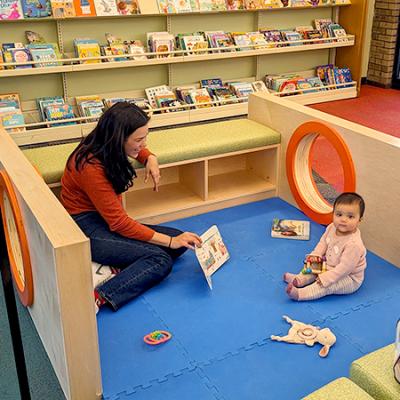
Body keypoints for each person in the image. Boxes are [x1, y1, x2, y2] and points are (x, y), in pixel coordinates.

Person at [60, 102, 202, 312]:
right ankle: (100, 295)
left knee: (182, 241)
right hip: (85, 226)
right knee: (160, 259)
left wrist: (150, 157)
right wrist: (170, 241)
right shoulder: (90, 166)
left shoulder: (107, 146)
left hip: (104, 220)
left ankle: (115, 264)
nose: (143, 143)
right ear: (119, 138)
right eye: (139, 139)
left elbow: (138, 151)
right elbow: (119, 223)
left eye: (145, 137)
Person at [283, 192, 367, 301]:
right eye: (339, 214)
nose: (343, 219)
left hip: (348, 277)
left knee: (326, 286)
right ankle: (299, 279)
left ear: (359, 220)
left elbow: (344, 269)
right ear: (333, 214)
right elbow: (323, 243)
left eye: (350, 216)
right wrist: (315, 256)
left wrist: (327, 278)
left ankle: (301, 294)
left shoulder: (354, 244)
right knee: (313, 267)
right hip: (328, 265)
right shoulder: (331, 227)